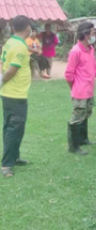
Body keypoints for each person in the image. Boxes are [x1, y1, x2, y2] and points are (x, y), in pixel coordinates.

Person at [65, 22, 96, 155]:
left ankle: (83, 139)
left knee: (86, 114)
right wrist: (73, 89)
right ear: (86, 35)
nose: (94, 35)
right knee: (77, 117)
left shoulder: (90, 49)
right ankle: (73, 146)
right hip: (80, 91)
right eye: (92, 32)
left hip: (89, 90)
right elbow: (68, 74)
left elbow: (95, 69)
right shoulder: (76, 51)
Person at [0, 16, 32, 177]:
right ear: (27, 28)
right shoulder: (19, 46)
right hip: (15, 94)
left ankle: (14, 156)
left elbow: (1, 62)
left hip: (9, 93)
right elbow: (12, 69)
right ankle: (6, 165)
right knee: (14, 128)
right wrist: (1, 80)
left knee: (11, 127)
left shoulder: (10, 42)